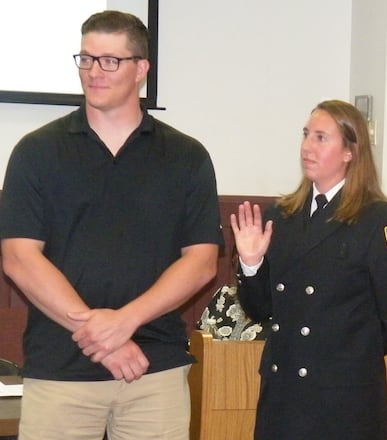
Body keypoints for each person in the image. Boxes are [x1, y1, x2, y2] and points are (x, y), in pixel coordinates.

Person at [0, 10, 223, 440]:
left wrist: (125, 322)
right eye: (85, 59)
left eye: (109, 61)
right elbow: (19, 258)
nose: (94, 72)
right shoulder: (37, 151)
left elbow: (201, 263)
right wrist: (105, 337)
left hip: (153, 369)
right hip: (60, 370)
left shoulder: (186, 156)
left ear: (141, 70)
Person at [230, 99, 387, 440]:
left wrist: (350, 354)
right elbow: (261, 310)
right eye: (306, 134)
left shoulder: (381, 221)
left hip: (344, 398)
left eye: (321, 137)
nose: (307, 146)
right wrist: (251, 264)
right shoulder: (281, 217)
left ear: (350, 151)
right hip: (283, 395)